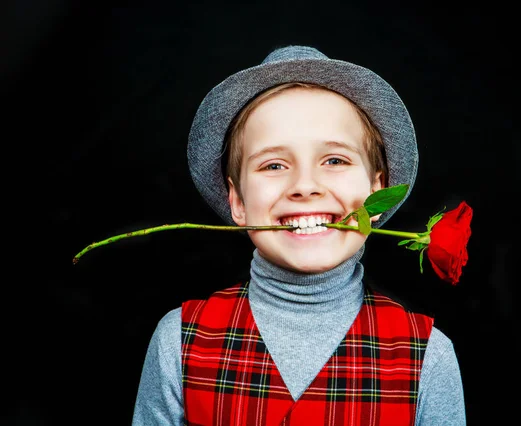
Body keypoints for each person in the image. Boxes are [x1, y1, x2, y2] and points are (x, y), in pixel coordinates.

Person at [132, 45, 466, 425]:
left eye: (335, 160)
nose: (305, 186)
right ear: (238, 201)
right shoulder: (178, 342)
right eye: (274, 164)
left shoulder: (427, 357)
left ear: (377, 190)